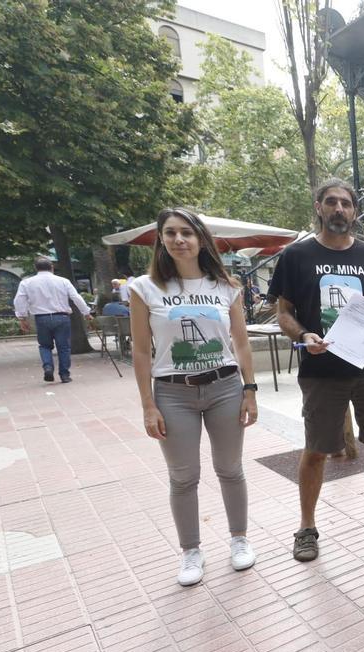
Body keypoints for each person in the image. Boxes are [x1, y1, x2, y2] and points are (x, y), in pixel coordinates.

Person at [268, 178, 364, 562]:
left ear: (355, 211)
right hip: (321, 369)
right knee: (315, 449)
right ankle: (307, 527)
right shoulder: (296, 256)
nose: (339, 209)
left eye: (346, 203)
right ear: (318, 207)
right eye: (331, 202)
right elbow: (283, 313)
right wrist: (304, 334)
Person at [128, 208, 259, 586]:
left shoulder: (226, 287)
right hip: (172, 392)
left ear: (201, 239)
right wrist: (147, 404)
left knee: (230, 469)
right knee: (184, 477)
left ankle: (239, 539)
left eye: (186, 232)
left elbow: (241, 342)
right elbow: (140, 351)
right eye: (170, 233)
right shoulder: (144, 288)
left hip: (225, 387)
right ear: (161, 241)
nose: (179, 240)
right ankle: (191, 551)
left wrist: (249, 390)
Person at [13, 257, 92, 383]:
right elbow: (76, 297)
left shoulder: (26, 283)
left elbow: (19, 300)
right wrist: (86, 312)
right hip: (61, 317)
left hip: (41, 318)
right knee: (64, 347)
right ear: (52, 267)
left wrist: (22, 318)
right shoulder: (63, 281)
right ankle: (64, 375)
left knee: (44, 345)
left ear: (36, 268)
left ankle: (48, 366)